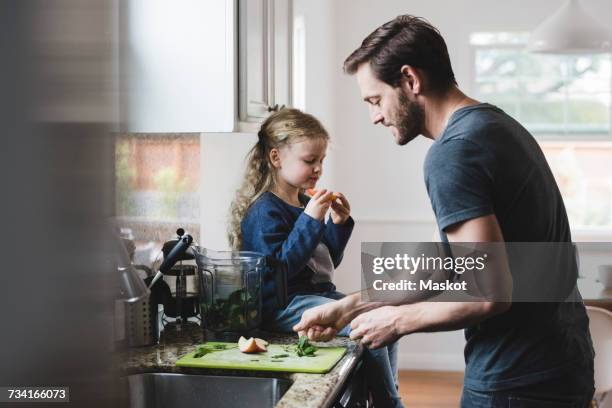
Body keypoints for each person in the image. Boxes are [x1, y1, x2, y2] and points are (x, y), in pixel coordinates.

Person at [293, 15, 595, 407]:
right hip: (560, 361)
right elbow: (461, 265)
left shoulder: (452, 152)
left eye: (375, 100)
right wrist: (350, 305)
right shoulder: (495, 125)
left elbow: (488, 294)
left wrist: (397, 321)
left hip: (516, 379)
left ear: (410, 80)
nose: (376, 116)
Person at [228, 108, 403, 407]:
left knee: (383, 315)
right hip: (285, 305)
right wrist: (310, 220)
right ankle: (389, 402)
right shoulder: (264, 211)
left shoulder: (306, 201)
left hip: (316, 295)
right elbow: (279, 269)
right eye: (309, 160)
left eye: (321, 160)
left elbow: (326, 261)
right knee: (366, 323)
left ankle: (386, 393)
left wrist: (338, 223)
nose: (318, 168)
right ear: (275, 158)